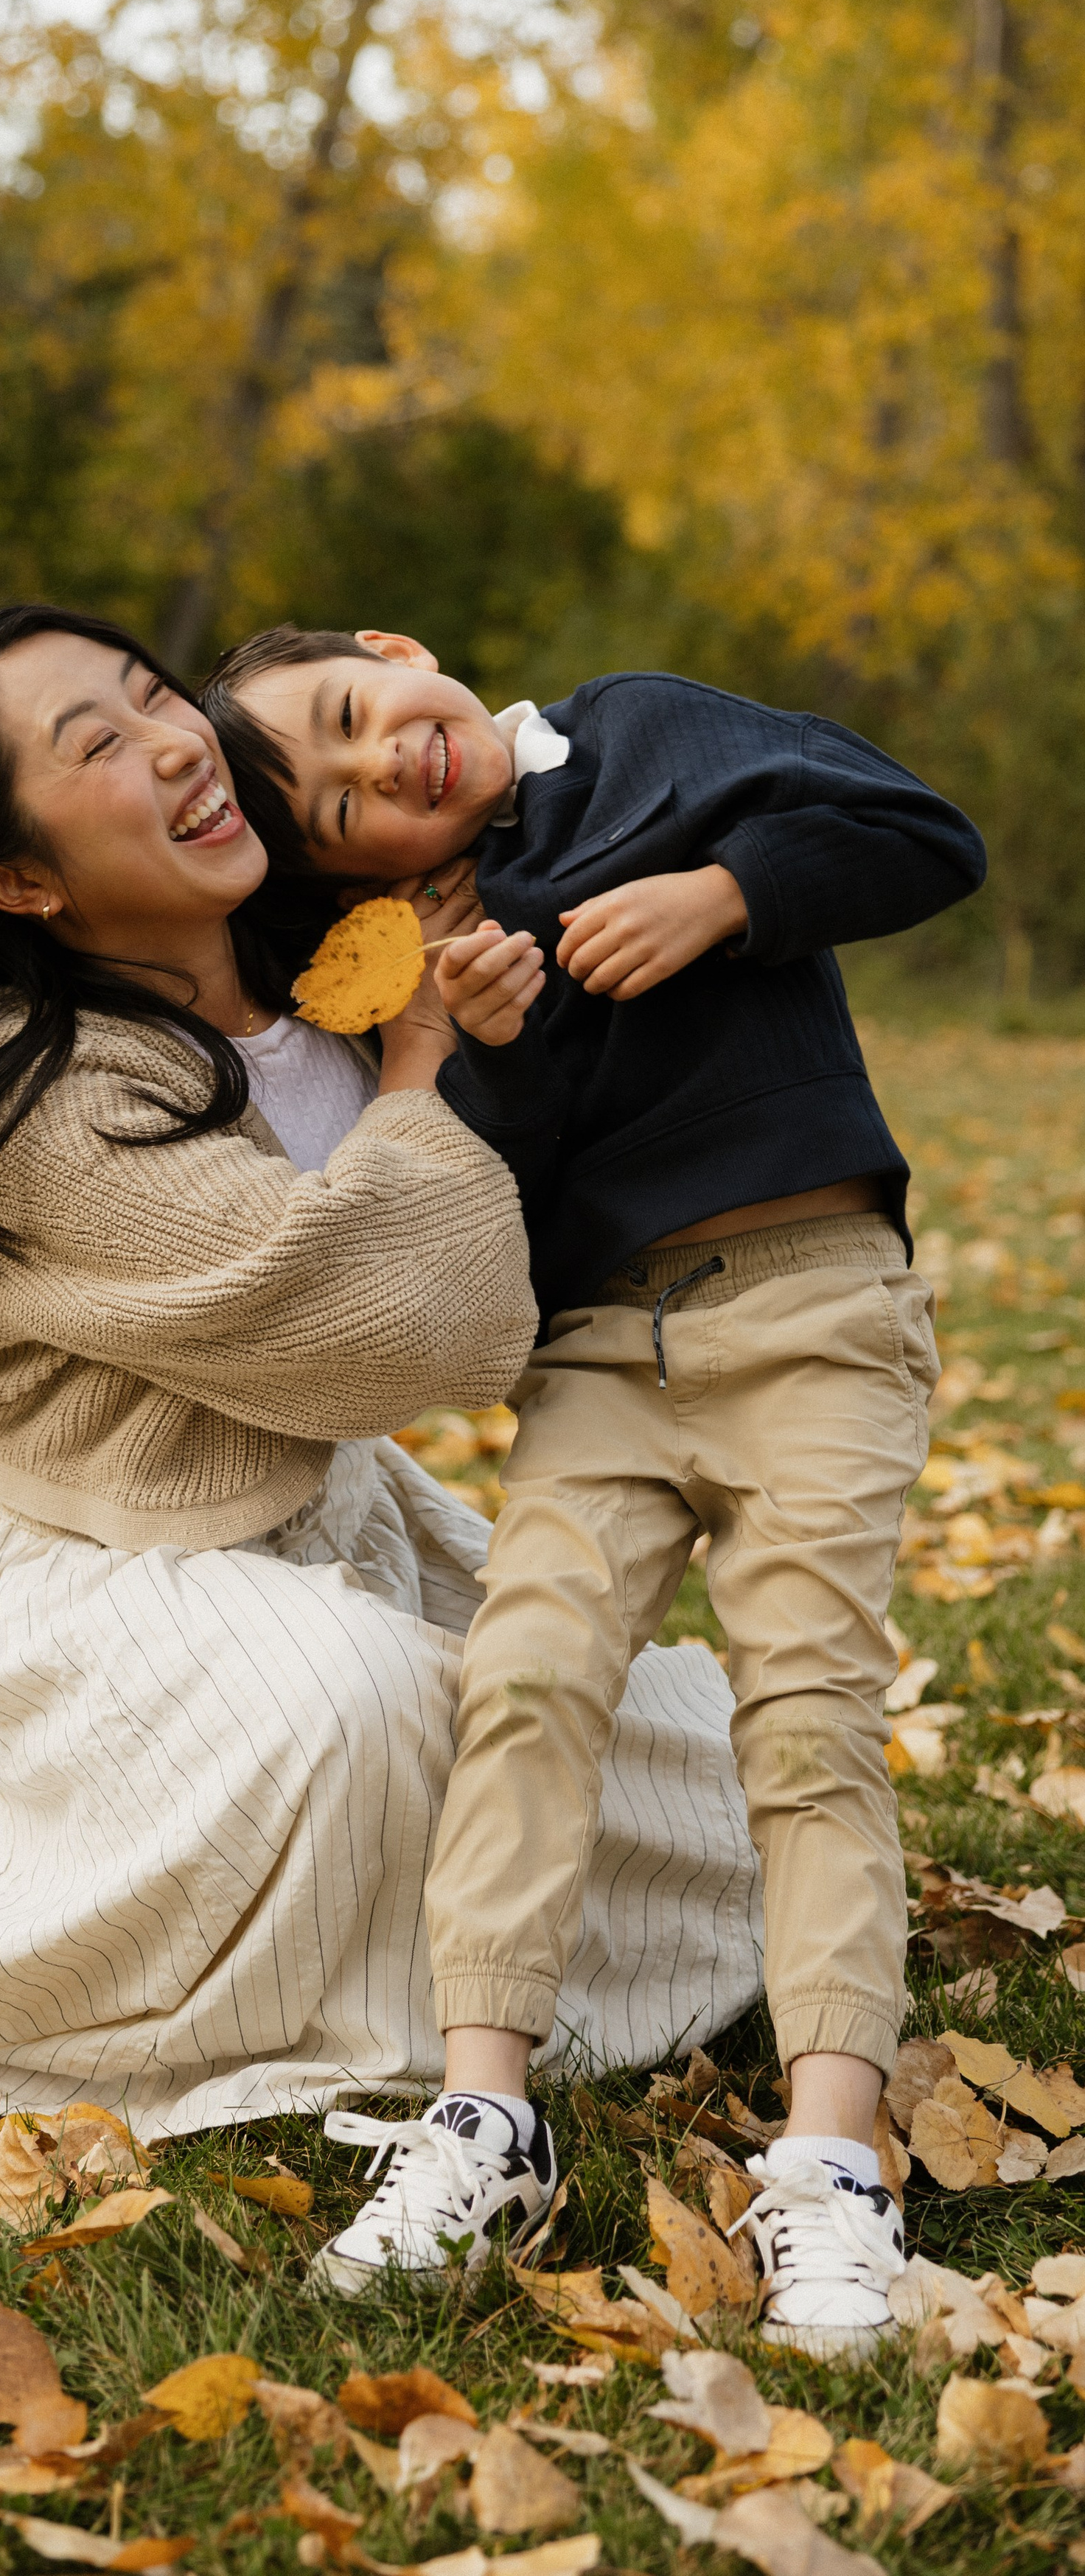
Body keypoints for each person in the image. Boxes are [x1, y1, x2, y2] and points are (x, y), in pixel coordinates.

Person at [0, 603, 764, 2179]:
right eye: (97, 746)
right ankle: (246, 1979)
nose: (177, 743)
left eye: (153, 695)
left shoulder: (322, 958)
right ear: (19, 880)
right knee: (353, 1708)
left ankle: (454, 1920)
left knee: (704, 1759)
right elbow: (401, 1331)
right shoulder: (25, 1093)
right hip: (101, 1582)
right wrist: (422, 1068)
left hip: (337, 1523)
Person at [202, 622, 988, 2354]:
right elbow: (495, 1199)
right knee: (524, 1681)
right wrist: (479, 1053)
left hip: (813, 1304)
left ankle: (829, 2162)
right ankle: (486, 2116)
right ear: (346, 873)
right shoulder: (421, 958)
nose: (384, 760)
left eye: (356, 711)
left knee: (807, 1713)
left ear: (398, 655)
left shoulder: (635, 736)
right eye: (339, 803)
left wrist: (724, 895)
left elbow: (920, 835)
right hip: (596, 1353)